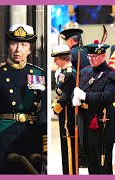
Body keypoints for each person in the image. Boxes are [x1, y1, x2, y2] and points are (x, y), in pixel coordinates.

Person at [0, 24, 47, 174]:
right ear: (8, 46)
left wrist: (46, 150)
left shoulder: (38, 74)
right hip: (4, 139)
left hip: (31, 139)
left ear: (30, 49)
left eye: (23, 45)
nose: (18, 49)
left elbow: (42, 114)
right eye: (14, 44)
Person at [72, 40, 115, 174]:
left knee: (103, 161)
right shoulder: (84, 72)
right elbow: (78, 89)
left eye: (94, 57)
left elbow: (108, 97)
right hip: (85, 121)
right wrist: (75, 97)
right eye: (89, 56)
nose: (91, 59)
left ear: (103, 56)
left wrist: (85, 96)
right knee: (90, 160)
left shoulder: (112, 75)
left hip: (102, 122)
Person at [60, 28, 89, 167]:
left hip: (75, 95)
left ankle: (81, 158)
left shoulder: (72, 53)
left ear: (71, 41)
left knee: (76, 126)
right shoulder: (87, 51)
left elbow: (70, 76)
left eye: (66, 41)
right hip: (88, 93)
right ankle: (85, 156)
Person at [51, 45, 77, 174]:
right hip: (64, 113)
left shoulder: (70, 74)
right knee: (64, 146)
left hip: (68, 114)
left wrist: (55, 109)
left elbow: (65, 97)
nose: (55, 61)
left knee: (69, 147)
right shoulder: (63, 73)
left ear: (64, 58)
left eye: (56, 59)